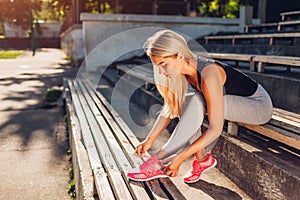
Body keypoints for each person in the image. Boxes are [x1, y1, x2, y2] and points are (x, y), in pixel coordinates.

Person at [127, 29, 273, 183]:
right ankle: (202, 159)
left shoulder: (208, 73)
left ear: (180, 55)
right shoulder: (183, 72)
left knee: (196, 99)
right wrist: (149, 140)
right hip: (233, 101)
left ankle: (159, 160)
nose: (162, 72)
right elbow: (171, 108)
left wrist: (179, 158)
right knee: (186, 100)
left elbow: (215, 129)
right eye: (158, 67)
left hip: (258, 106)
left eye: (163, 65)